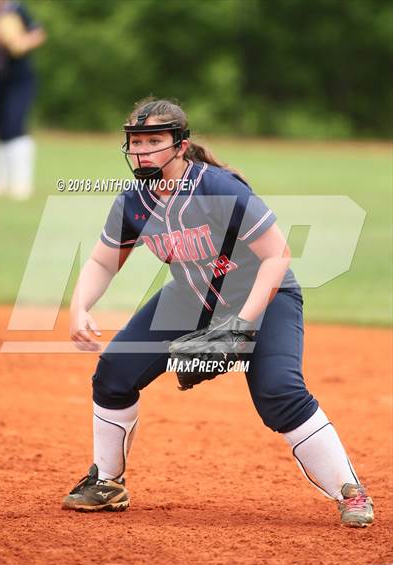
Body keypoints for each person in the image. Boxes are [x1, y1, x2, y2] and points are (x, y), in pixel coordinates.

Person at [62, 98, 374, 528]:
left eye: (155, 140)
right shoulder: (133, 203)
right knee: (114, 373)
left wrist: (243, 324)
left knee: (279, 392)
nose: (143, 151)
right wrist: (79, 306)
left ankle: (350, 491)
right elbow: (102, 262)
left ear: (180, 145)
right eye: (136, 142)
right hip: (191, 298)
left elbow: (277, 255)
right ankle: (107, 482)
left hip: (266, 298)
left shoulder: (218, 189)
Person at [0, 0, 46, 200]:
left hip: (20, 79)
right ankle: (2, 179)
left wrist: (23, 42)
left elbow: (39, 33)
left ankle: (22, 181)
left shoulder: (16, 9)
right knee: (0, 128)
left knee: (15, 124)